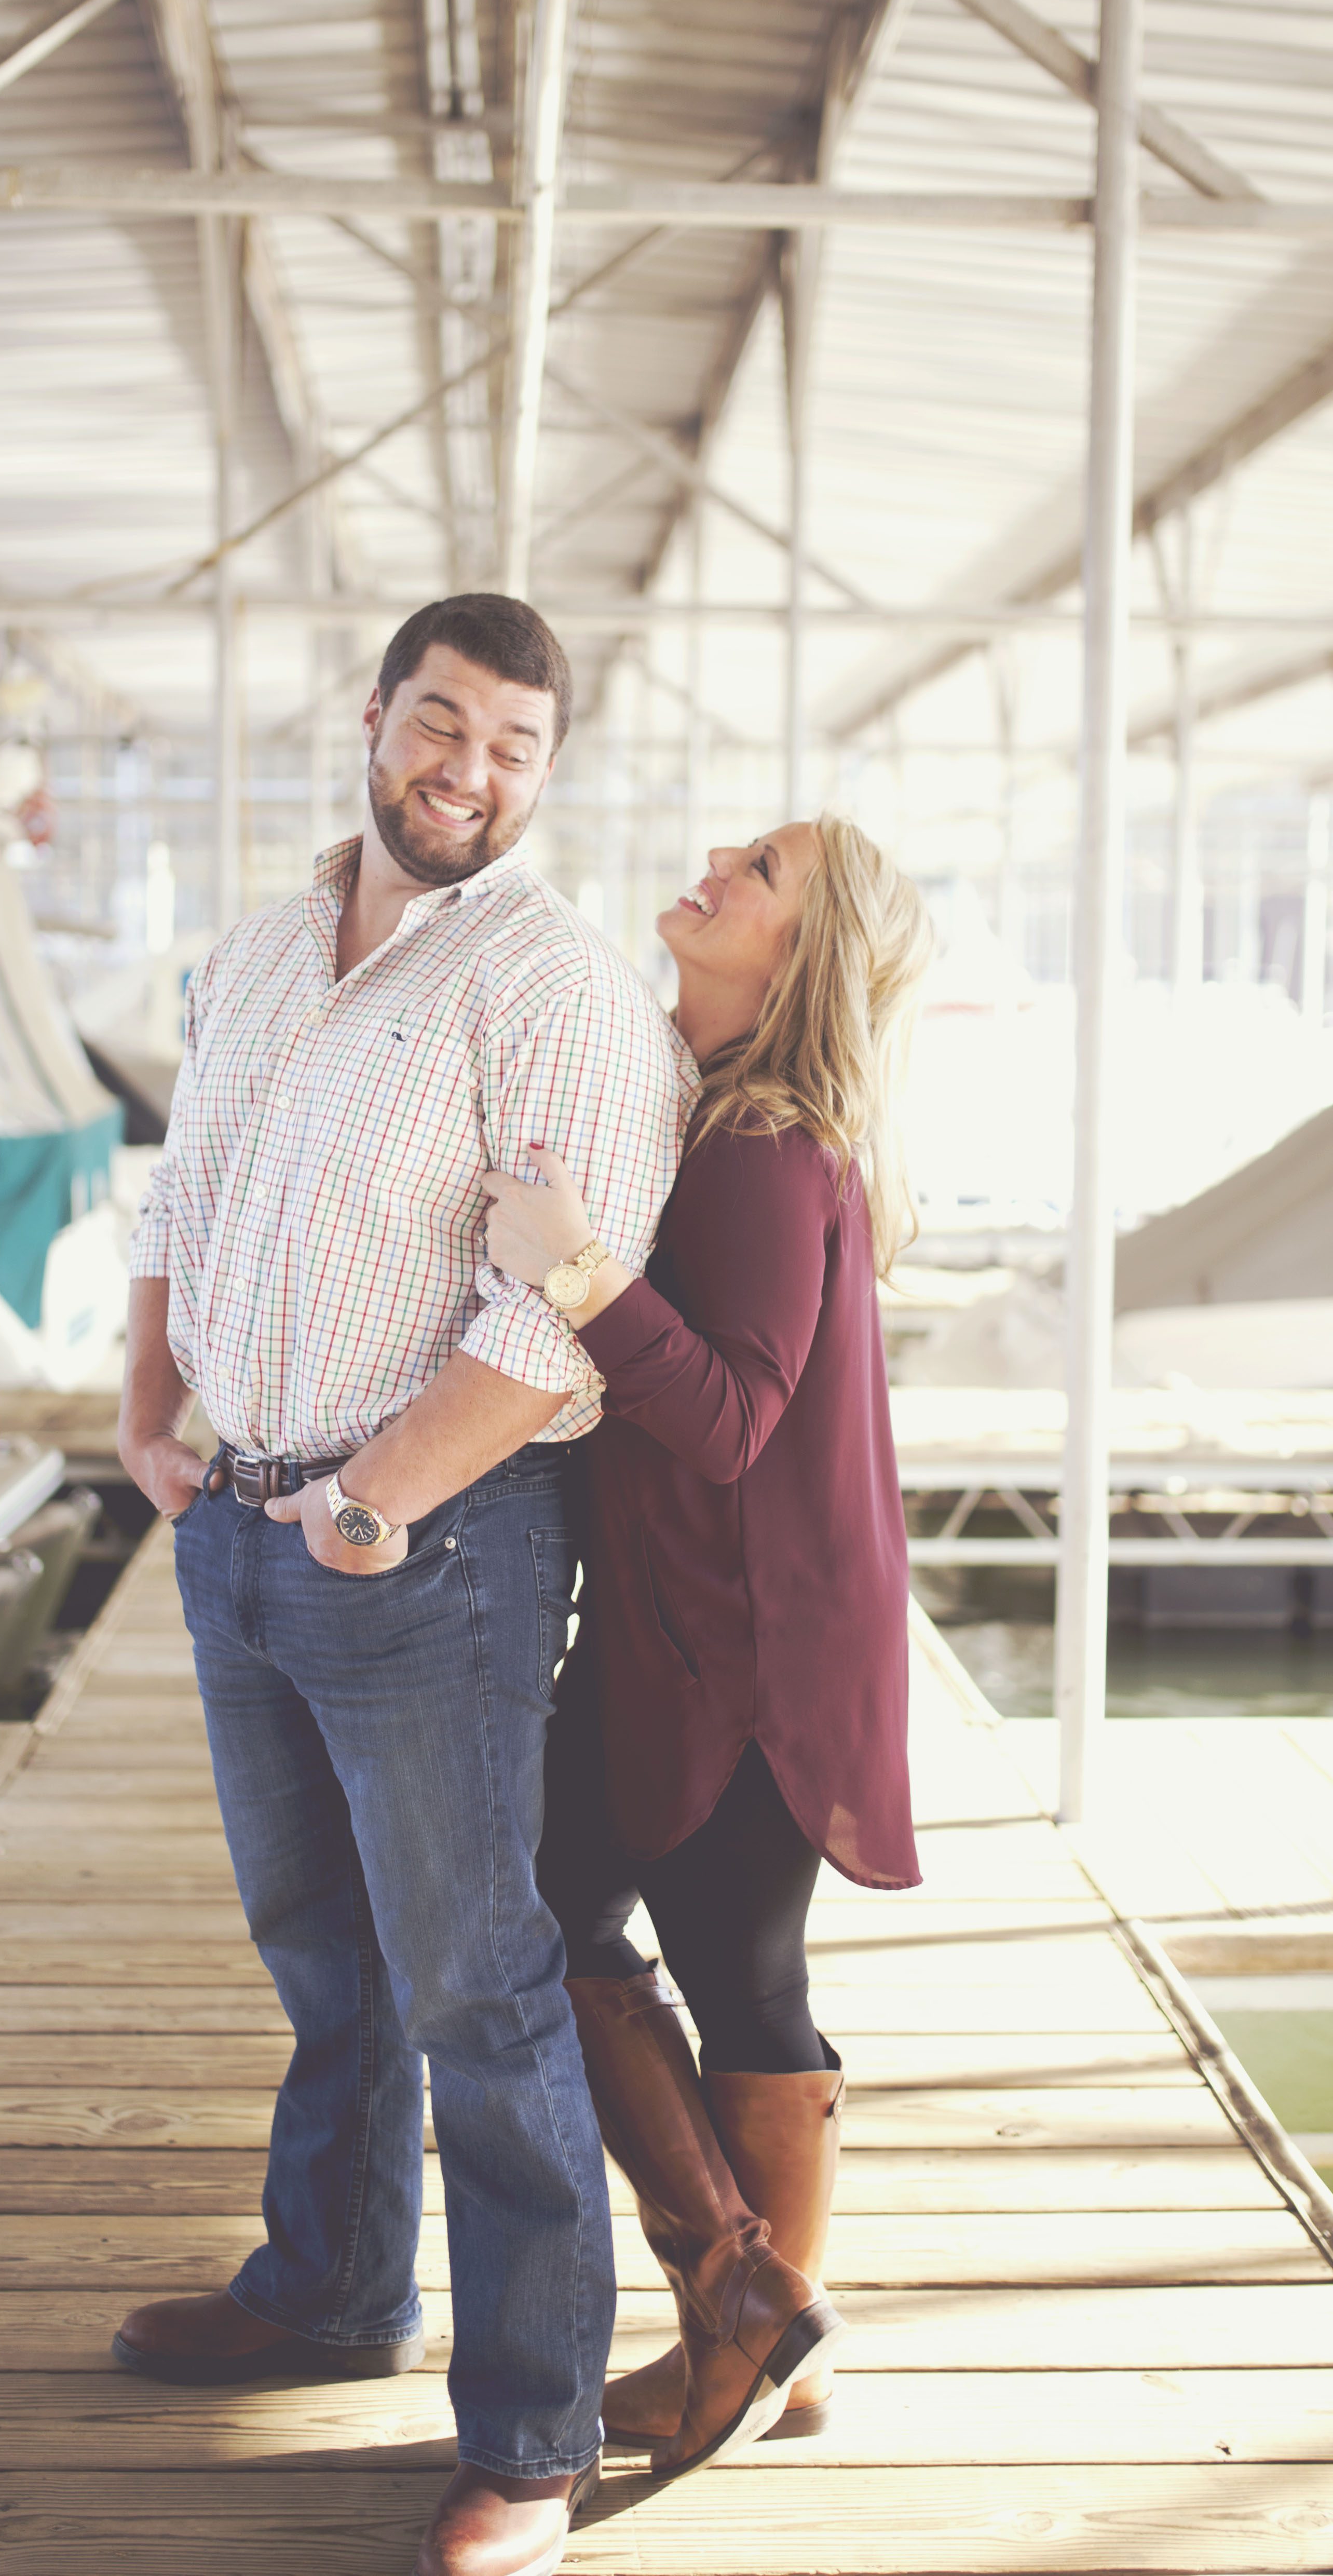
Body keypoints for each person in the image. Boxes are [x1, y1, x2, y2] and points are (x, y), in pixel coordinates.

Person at [114, 595, 693, 2576]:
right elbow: (183, 1189)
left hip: (431, 1545)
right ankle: (330, 2287)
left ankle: (532, 2436)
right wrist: (148, 1411)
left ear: (548, 773)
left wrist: (372, 1505)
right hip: (240, 1521)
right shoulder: (263, 947)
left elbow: (561, 1310)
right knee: (317, 1948)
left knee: (476, 1982)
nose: (469, 772)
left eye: (514, 746)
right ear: (376, 719)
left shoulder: (556, 985)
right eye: (442, 724)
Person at [482, 811, 934, 2478]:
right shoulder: (720, 1116)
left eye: (761, 872)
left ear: (801, 952)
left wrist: (573, 1268)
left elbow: (734, 1417)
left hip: (744, 1646)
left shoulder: (758, 1147)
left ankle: (750, 2313)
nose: (716, 868)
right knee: (599, 1927)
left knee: (686, 1959)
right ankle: (762, 2323)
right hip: (706, 1622)